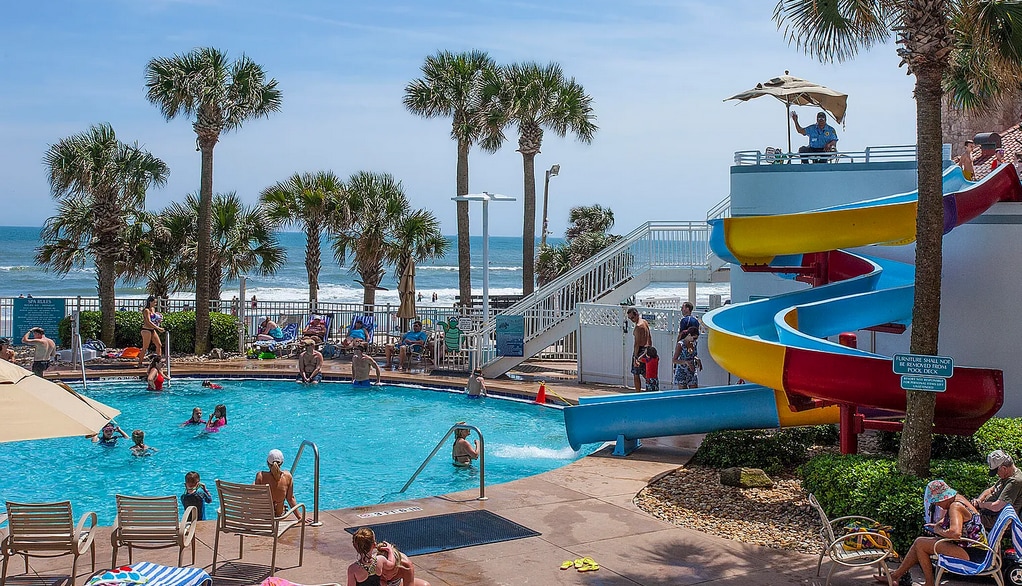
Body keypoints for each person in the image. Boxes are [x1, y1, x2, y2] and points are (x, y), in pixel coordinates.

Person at [880, 479, 987, 586]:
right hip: (977, 549)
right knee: (918, 543)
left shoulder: (955, 506)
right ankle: (896, 576)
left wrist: (938, 530)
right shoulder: (959, 499)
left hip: (972, 554)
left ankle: (929, 583)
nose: (937, 504)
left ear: (944, 497)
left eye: (937, 501)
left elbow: (955, 534)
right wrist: (939, 524)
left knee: (920, 544)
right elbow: (959, 518)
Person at [347, 527, 430, 586]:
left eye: (394, 573)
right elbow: (391, 563)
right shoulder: (380, 560)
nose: (389, 577)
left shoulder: (352, 569)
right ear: (374, 545)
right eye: (385, 574)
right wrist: (390, 550)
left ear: (355, 546)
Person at [972, 449, 1022, 529]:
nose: (997, 475)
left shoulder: (1015, 481)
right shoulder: (1007, 475)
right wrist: (979, 500)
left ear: (1004, 468)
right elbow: (990, 490)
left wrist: (981, 505)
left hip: (997, 520)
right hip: (986, 512)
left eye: (997, 472)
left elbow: (997, 506)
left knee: (964, 518)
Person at [255, 449, 308, 523]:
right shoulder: (288, 476)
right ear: (282, 463)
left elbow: (256, 499)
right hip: (278, 516)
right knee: (282, 504)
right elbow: (290, 499)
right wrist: (300, 517)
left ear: (267, 462)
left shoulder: (260, 476)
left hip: (264, 516)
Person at [626, 308, 651, 391]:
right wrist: (649, 349)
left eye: (632, 317)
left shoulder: (638, 326)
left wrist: (635, 357)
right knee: (644, 372)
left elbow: (637, 344)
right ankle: (652, 387)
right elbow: (649, 337)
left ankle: (638, 392)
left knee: (636, 373)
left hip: (640, 350)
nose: (631, 320)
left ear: (637, 314)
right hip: (646, 348)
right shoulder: (644, 322)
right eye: (630, 318)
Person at [139, 295, 165, 367]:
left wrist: (159, 319)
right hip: (146, 330)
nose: (155, 304)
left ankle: (158, 362)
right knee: (145, 347)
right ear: (150, 302)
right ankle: (140, 363)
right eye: (154, 302)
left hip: (152, 330)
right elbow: (148, 321)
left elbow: (154, 318)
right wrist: (158, 328)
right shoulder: (146, 310)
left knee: (159, 345)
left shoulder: (153, 309)